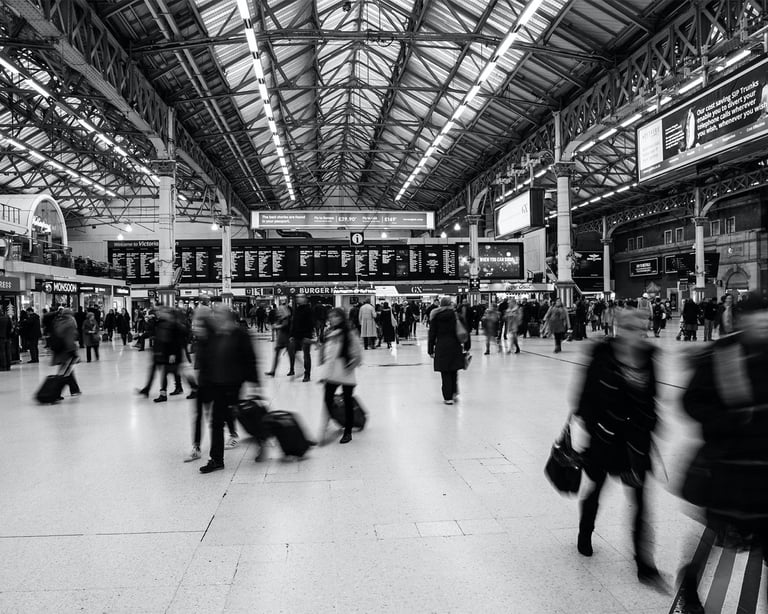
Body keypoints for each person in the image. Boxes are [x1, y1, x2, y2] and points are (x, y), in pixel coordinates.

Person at [677, 293, 768, 613]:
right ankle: (689, 583)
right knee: (716, 533)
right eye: (756, 316)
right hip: (729, 469)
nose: (763, 322)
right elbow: (691, 402)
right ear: (741, 319)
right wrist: (729, 419)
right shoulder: (722, 354)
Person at [572, 308, 663, 588]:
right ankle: (585, 530)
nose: (640, 333)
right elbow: (583, 398)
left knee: (640, 502)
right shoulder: (601, 355)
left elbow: (653, 397)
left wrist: (650, 422)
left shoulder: (649, 358)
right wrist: (596, 427)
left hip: (635, 442)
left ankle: (644, 562)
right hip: (604, 438)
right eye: (634, 328)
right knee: (595, 489)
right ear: (620, 329)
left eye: (643, 327)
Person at [197, 304, 260, 474]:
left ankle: (260, 438)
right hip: (217, 384)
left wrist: (255, 384)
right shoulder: (215, 334)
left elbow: (250, 359)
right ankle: (216, 459)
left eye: (219, 313)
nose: (215, 316)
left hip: (233, 384)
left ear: (227, 315)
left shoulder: (240, 334)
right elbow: (209, 358)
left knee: (241, 416)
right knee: (217, 422)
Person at [317, 308, 363, 444]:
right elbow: (326, 353)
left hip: (346, 371)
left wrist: (351, 366)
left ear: (342, 318)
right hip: (331, 373)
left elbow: (358, 354)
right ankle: (325, 429)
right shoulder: (330, 333)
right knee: (327, 400)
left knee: (348, 401)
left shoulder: (349, 333)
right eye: (330, 316)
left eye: (335, 317)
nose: (332, 319)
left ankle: (347, 431)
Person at [428, 297, 469, 405]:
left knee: (445, 372)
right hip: (455, 345)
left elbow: (432, 334)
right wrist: (467, 346)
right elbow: (465, 331)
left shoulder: (435, 317)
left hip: (441, 346)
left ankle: (448, 397)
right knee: (454, 370)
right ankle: (454, 392)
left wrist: (430, 349)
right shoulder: (456, 315)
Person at [49, 308, 81, 397]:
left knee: (66, 371)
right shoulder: (69, 324)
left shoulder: (58, 322)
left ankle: (74, 389)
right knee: (64, 373)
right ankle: (55, 393)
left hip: (59, 351)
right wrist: (73, 352)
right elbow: (69, 339)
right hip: (67, 351)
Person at [287, 294, 315, 381]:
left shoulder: (309, 310)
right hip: (296, 336)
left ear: (305, 299)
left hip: (305, 336)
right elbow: (294, 323)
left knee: (306, 355)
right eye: (298, 297)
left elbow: (311, 323)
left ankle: (307, 374)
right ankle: (293, 369)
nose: (299, 299)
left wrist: (308, 336)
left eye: (302, 297)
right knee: (292, 352)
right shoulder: (297, 309)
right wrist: (291, 335)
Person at [265, 299, 291, 376]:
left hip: (286, 338)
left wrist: (277, 326)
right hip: (282, 339)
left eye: (280, 311)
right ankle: (273, 371)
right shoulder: (281, 318)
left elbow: (285, 325)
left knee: (292, 356)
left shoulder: (286, 319)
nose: (278, 312)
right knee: (279, 355)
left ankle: (296, 369)